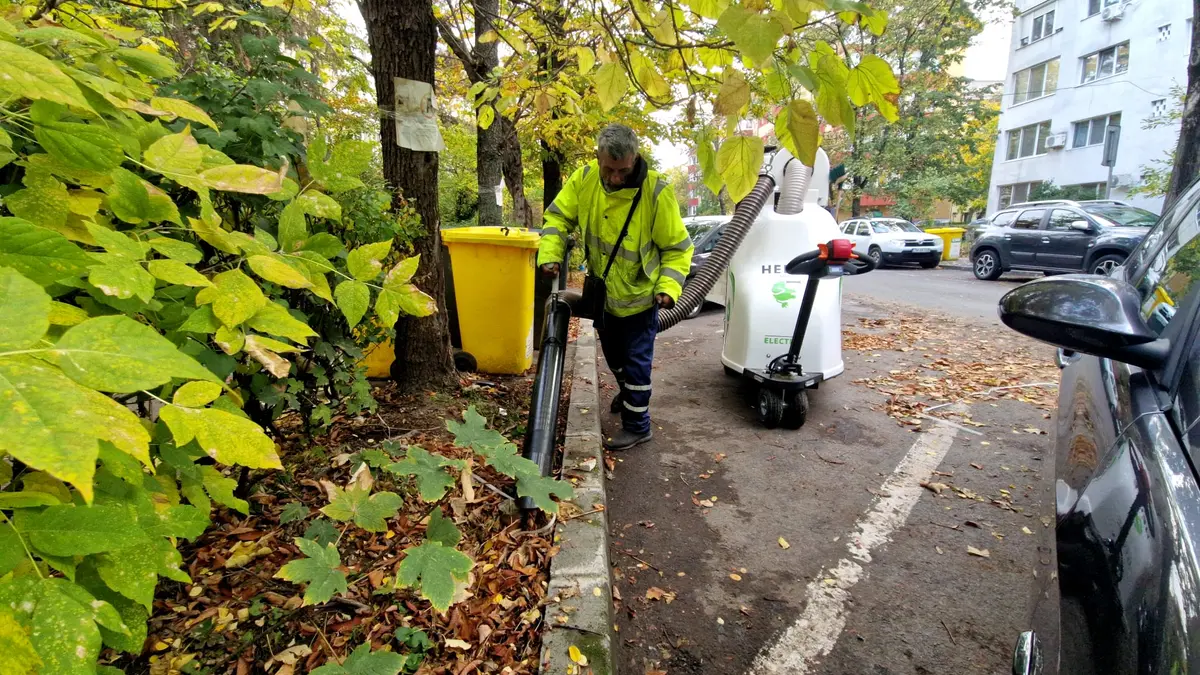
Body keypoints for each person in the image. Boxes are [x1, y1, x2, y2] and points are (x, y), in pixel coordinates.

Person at [537, 124, 693, 450]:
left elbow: (677, 249)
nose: (616, 177)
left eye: (623, 170)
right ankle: (628, 395)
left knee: (636, 364)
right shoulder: (584, 180)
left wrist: (668, 287)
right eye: (609, 169)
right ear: (597, 157)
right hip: (604, 299)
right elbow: (557, 218)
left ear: (634, 158)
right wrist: (550, 254)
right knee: (614, 358)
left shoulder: (656, 192)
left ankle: (638, 426)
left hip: (640, 300)